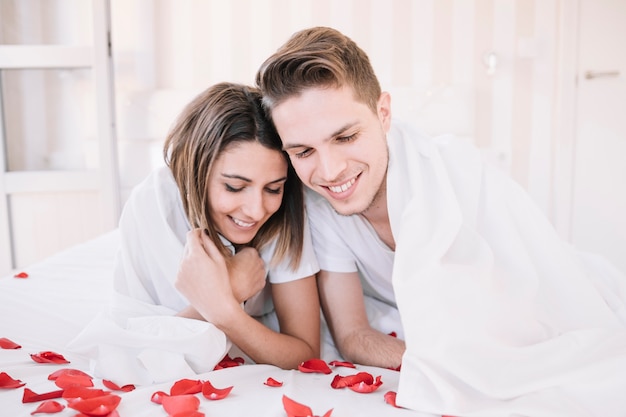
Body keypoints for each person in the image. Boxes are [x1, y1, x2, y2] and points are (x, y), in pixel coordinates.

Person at [256, 26, 626, 416]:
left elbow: (527, 307)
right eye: (303, 151)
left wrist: (463, 368)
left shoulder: (453, 175)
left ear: (383, 113)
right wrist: (440, 366)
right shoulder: (318, 205)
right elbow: (352, 335)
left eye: (345, 137)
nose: (329, 171)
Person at [70, 82, 320, 384]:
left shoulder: (282, 213)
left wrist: (227, 313)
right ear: (195, 170)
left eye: (273, 188)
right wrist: (231, 289)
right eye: (234, 187)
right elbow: (131, 356)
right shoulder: (154, 204)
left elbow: (305, 352)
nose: (256, 210)